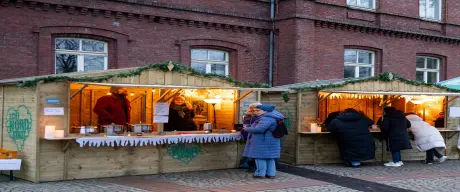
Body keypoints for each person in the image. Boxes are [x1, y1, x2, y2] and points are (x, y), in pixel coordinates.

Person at [243, 104, 284, 179]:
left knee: (259, 157)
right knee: (270, 158)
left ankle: (260, 174)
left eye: (258, 110)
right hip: (269, 141)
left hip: (262, 141)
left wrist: (246, 128)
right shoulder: (273, 117)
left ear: (265, 111)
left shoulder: (266, 118)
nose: (256, 112)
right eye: (255, 111)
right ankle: (271, 174)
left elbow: (259, 129)